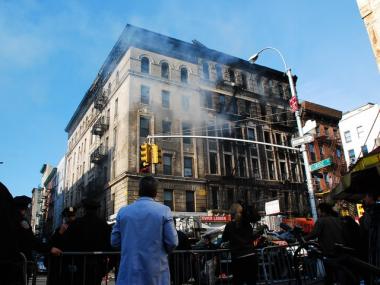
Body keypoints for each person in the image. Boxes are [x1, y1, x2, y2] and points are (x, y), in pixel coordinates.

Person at [111, 175, 178, 285]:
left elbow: (114, 242)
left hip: (129, 272)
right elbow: (173, 242)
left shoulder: (123, 212)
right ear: (155, 192)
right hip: (156, 272)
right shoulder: (164, 211)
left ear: (139, 191)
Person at [60, 198, 112, 285]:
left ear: (84, 209)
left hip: (79, 265)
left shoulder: (76, 223)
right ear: (97, 209)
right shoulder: (104, 225)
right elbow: (110, 245)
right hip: (97, 266)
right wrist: (106, 268)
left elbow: (65, 242)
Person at [306, 203, 350, 285]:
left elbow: (314, 234)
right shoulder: (338, 219)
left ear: (322, 210)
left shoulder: (321, 220)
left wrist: (303, 239)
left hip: (329, 252)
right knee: (342, 273)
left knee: (330, 274)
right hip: (342, 250)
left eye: (318, 210)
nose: (318, 212)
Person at [222, 202, 258, 285]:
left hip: (238, 258)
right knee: (251, 282)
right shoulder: (247, 224)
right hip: (251, 256)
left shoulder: (230, 225)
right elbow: (251, 237)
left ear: (232, 213)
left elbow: (224, 239)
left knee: (238, 281)